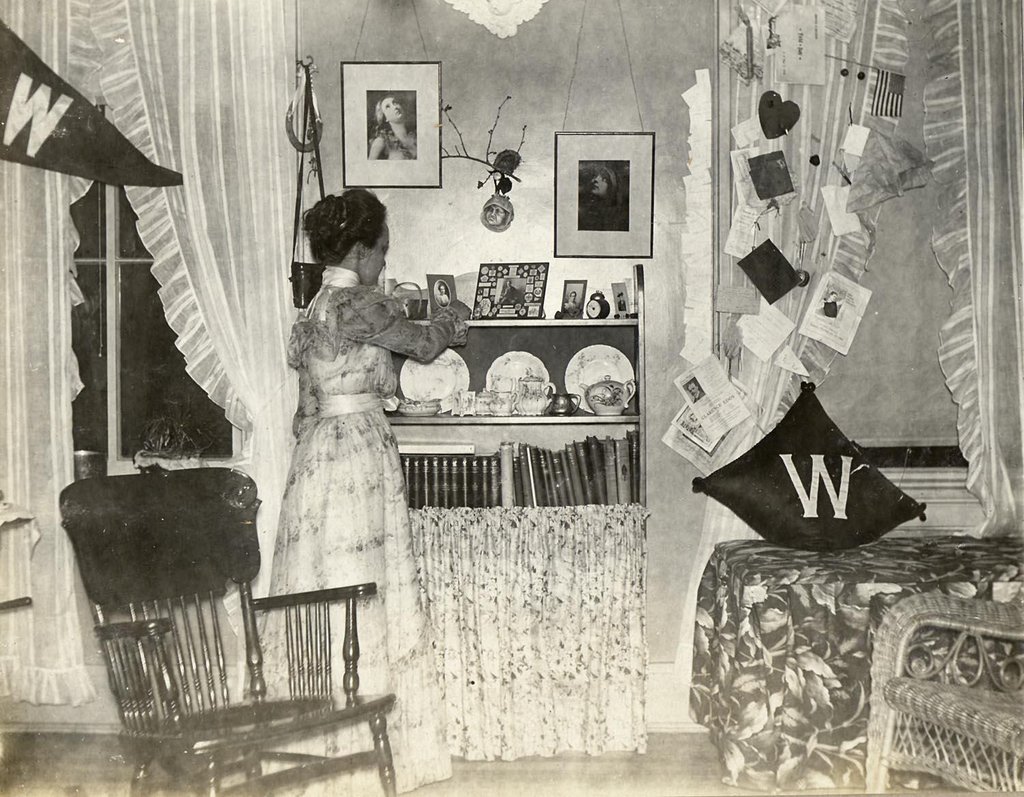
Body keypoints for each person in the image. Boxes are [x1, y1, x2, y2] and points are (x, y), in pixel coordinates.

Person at [265, 189, 468, 795]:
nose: (383, 261)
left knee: (320, 583)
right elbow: (428, 346)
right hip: (357, 450)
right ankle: (359, 744)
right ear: (361, 249)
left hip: (317, 455)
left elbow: (304, 409)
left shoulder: (315, 308)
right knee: (365, 587)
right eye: (382, 250)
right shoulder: (357, 302)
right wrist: (453, 316)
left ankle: (322, 741)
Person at [577, 162, 629, 232]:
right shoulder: (582, 213)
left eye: (604, 179)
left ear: (612, 188)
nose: (595, 180)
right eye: (595, 177)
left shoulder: (620, 218)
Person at [368, 94, 417, 160]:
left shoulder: (415, 135)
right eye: (388, 107)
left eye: (395, 103)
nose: (394, 107)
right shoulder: (381, 141)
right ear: (385, 118)